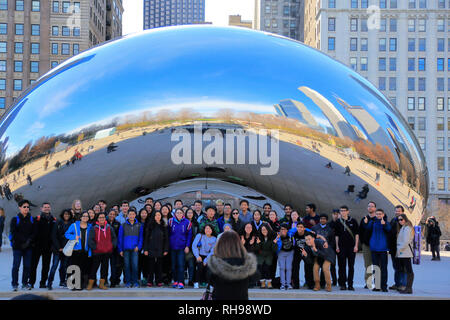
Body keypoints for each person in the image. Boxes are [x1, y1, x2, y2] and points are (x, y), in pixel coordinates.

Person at [207, 230, 258, 300]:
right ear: (238, 244)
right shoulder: (247, 263)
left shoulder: (214, 263)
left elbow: (209, 279)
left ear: (220, 244)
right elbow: (254, 278)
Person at [10, 200, 36, 291]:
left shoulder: (32, 219)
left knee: (27, 266)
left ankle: (25, 283)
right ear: (20, 207)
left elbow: (34, 232)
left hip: (28, 247)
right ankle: (14, 284)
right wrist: (24, 241)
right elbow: (14, 233)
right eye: (24, 207)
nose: (26, 208)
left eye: (28, 207)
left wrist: (28, 241)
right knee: (16, 266)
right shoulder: (15, 219)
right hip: (17, 247)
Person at [87, 212, 117, 290]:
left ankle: (102, 284)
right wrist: (95, 247)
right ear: (97, 219)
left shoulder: (109, 227)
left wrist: (112, 246)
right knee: (94, 268)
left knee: (104, 269)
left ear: (105, 218)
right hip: (97, 252)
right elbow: (90, 240)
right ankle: (91, 283)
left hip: (107, 252)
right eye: (100, 217)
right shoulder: (94, 228)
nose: (102, 219)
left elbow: (114, 238)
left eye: (103, 217)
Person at [363, 209, 391, 292]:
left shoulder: (386, 222)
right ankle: (377, 286)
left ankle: (384, 286)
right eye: (377, 214)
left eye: (380, 214)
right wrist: (365, 223)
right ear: (375, 214)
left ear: (383, 214)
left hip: (383, 248)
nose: (378, 215)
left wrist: (385, 224)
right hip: (374, 248)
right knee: (376, 267)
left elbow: (389, 229)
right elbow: (367, 229)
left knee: (384, 268)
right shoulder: (372, 222)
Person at [29, 202, 56, 289]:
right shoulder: (37, 219)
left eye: (48, 207)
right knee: (33, 265)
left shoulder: (53, 220)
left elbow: (54, 234)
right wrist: (32, 243)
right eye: (45, 207)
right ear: (41, 209)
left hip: (48, 247)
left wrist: (53, 245)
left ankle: (43, 283)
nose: (47, 208)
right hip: (37, 246)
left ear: (50, 208)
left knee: (46, 266)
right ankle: (31, 282)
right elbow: (32, 232)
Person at [65, 212, 92, 290]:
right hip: (76, 250)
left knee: (82, 268)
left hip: (85, 251)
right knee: (74, 268)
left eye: (87, 216)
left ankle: (79, 285)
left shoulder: (90, 227)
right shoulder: (74, 225)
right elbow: (67, 234)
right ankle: (72, 285)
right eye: (84, 216)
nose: (85, 217)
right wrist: (74, 236)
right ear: (80, 217)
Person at [118, 209, 144, 288]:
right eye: (130, 214)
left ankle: (135, 282)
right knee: (127, 266)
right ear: (127, 215)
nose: (131, 216)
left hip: (135, 249)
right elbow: (120, 238)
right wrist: (120, 249)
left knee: (135, 266)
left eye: (133, 214)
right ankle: (128, 282)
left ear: (135, 215)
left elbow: (141, 237)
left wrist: (139, 247)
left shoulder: (139, 225)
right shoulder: (123, 225)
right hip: (126, 249)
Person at [335, 205, 359, 291]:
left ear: (348, 211)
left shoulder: (353, 221)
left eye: (344, 210)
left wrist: (356, 246)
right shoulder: (338, 222)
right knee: (341, 266)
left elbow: (356, 234)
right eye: (341, 211)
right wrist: (337, 246)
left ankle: (350, 284)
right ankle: (342, 284)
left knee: (351, 266)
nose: (343, 212)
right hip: (341, 247)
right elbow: (336, 235)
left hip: (351, 247)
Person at [47, 209, 73, 290]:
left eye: (68, 214)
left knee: (64, 266)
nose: (67, 216)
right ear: (62, 215)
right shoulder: (57, 222)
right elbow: (53, 236)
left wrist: (66, 248)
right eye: (65, 214)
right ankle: (49, 282)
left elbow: (71, 236)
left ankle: (62, 281)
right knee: (54, 265)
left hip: (66, 249)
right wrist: (59, 247)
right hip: (57, 249)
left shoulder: (72, 223)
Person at [168, 209, 192, 289]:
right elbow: (168, 233)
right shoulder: (171, 221)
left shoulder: (187, 222)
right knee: (173, 265)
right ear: (175, 214)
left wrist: (187, 246)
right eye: (177, 213)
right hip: (173, 247)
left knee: (181, 265)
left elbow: (189, 235)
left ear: (183, 214)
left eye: (180, 213)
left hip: (182, 247)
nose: (179, 214)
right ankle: (175, 281)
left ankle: (181, 282)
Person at [144, 211, 169, 287]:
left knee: (159, 266)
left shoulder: (163, 226)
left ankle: (159, 281)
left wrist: (165, 249)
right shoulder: (150, 226)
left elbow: (166, 239)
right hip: (151, 248)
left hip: (160, 248)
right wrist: (145, 249)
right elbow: (146, 239)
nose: (158, 216)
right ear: (154, 216)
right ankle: (150, 281)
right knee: (150, 266)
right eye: (156, 215)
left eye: (159, 215)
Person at [312, 215, 336, 287]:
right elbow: (311, 238)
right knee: (316, 267)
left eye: (324, 219)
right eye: (321, 218)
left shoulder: (330, 229)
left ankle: (323, 283)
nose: (322, 220)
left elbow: (332, 241)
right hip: (316, 250)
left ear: (326, 220)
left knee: (324, 268)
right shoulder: (314, 228)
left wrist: (328, 248)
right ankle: (315, 283)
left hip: (326, 251)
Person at [192, 224, 217, 289]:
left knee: (209, 268)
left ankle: (209, 284)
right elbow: (194, 246)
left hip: (209, 256)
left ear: (212, 230)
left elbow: (213, 251)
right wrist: (197, 256)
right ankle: (196, 282)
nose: (208, 230)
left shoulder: (214, 239)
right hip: (199, 255)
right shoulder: (199, 236)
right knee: (199, 266)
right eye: (206, 228)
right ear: (204, 229)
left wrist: (206, 260)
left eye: (209, 228)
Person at [396, 214, 415, 294]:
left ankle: (409, 288)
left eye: (401, 219)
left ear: (405, 219)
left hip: (405, 252)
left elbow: (406, 241)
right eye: (399, 220)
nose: (400, 221)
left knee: (409, 270)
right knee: (406, 270)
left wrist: (400, 250)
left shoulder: (407, 228)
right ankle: (407, 287)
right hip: (404, 252)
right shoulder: (404, 227)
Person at [359, 201, 376, 289]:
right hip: (366, 245)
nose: (370, 208)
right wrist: (363, 243)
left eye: (372, 206)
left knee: (377, 264)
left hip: (376, 246)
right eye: (369, 206)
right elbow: (360, 232)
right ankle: (368, 283)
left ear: (375, 208)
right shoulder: (364, 219)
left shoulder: (378, 219)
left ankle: (377, 283)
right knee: (368, 265)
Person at [292, 222, 314, 289]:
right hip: (297, 252)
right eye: (298, 227)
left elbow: (312, 243)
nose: (299, 228)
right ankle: (296, 284)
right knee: (295, 268)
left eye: (301, 227)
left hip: (306, 252)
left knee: (308, 267)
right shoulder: (295, 234)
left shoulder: (308, 234)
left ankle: (309, 284)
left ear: (304, 228)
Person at [255, 224, 277, 289]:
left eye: (265, 229)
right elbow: (257, 249)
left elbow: (274, 249)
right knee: (260, 267)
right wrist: (258, 243)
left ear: (268, 229)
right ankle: (262, 282)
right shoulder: (259, 237)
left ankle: (269, 282)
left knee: (267, 268)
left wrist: (274, 243)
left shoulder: (272, 237)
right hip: (261, 255)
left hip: (269, 254)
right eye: (262, 230)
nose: (264, 231)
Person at [388, 205, 404, 290]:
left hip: (401, 249)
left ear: (402, 212)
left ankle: (402, 284)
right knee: (396, 266)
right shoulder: (393, 220)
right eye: (396, 211)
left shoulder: (404, 222)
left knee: (401, 267)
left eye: (399, 211)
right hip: (393, 248)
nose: (397, 212)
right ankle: (397, 283)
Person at [276, 223, 295, 290]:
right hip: (281, 252)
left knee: (289, 268)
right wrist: (277, 239)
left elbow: (298, 228)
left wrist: (310, 231)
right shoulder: (278, 236)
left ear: (287, 230)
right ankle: (283, 284)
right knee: (282, 268)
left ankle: (288, 284)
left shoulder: (290, 233)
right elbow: (276, 245)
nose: (283, 230)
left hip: (290, 252)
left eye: (285, 229)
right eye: (281, 229)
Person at [107, 209, 122, 288]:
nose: (112, 215)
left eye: (113, 214)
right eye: (110, 214)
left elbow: (118, 237)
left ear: (116, 215)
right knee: (105, 266)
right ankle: (104, 281)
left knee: (114, 265)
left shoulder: (118, 224)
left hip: (114, 248)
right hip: (105, 248)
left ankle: (113, 281)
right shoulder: (104, 222)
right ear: (108, 214)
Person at [185, 208, 199, 287]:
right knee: (182, 265)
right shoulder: (183, 222)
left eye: (191, 213)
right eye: (188, 213)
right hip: (184, 246)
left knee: (191, 265)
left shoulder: (196, 223)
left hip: (193, 246)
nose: (190, 214)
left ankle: (191, 280)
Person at [137, 208, 150, 286]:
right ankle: (138, 279)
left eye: (145, 213)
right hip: (138, 245)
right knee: (138, 264)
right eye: (142, 213)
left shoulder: (149, 222)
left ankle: (145, 279)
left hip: (146, 246)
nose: (144, 214)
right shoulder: (137, 222)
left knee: (146, 264)